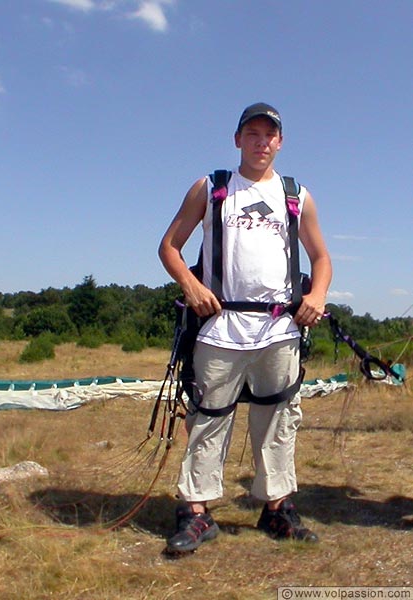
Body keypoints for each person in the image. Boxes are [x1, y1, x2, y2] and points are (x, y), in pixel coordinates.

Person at [158, 102, 332, 553]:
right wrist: (191, 286)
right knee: (208, 418)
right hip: (219, 327)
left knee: (277, 420)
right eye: (252, 134)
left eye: (270, 135)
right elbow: (170, 246)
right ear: (238, 139)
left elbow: (321, 258)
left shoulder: (297, 196)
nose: (262, 142)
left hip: (279, 330)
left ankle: (277, 509)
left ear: (281, 142)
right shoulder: (213, 187)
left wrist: (316, 297)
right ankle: (195, 513)